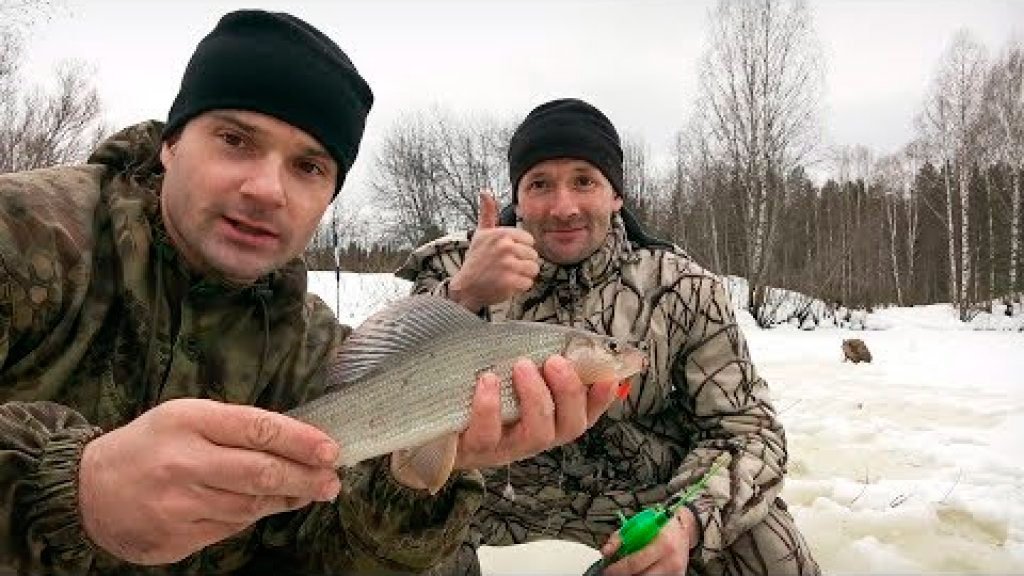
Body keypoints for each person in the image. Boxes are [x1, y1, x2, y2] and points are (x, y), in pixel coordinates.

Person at [0, 14, 617, 575]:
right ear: (171, 142)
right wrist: (72, 491)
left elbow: (325, 556)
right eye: (235, 140)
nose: (267, 188)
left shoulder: (318, 351)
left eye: (309, 167)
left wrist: (421, 479)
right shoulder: (24, 236)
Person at [398, 98, 819, 575]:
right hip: (489, 499)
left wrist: (684, 523)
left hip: (644, 501)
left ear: (616, 194)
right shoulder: (460, 268)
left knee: (774, 551)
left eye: (584, 181)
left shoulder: (682, 288)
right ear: (518, 196)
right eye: (540, 184)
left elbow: (748, 429)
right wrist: (464, 293)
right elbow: (388, 391)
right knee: (395, 537)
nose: (563, 207)